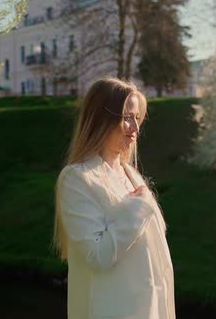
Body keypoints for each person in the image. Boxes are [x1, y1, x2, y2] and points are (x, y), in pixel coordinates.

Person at [52, 78, 175, 319]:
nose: (135, 129)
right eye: (127, 117)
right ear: (101, 118)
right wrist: (139, 207)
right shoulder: (77, 178)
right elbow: (97, 255)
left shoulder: (133, 176)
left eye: (137, 119)